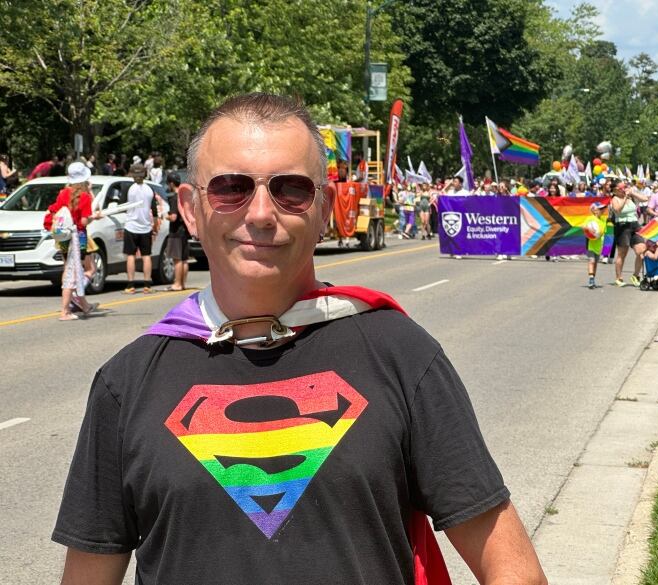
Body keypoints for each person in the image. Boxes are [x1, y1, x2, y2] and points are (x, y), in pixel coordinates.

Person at [52, 93, 547, 585]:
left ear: (326, 207)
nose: (262, 213)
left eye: (291, 189)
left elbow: (512, 569)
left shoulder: (401, 355)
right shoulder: (128, 382)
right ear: (190, 207)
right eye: (230, 188)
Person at [45, 162, 101, 320]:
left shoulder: (63, 193)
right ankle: (68, 308)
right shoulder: (84, 197)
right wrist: (94, 217)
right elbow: (83, 222)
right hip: (78, 236)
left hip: (63, 237)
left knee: (69, 270)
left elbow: (56, 210)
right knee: (78, 271)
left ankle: (83, 305)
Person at [122, 163, 159, 294]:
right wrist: (154, 226)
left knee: (131, 256)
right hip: (145, 227)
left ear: (132, 175)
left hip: (130, 226)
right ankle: (147, 285)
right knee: (146, 256)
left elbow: (123, 206)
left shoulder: (128, 189)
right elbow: (154, 211)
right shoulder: (149, 190)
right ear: (144, 175)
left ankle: (130, 285)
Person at [610, 181, 649, 287]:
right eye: (622, 188)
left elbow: (645, 199)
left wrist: (633, 193)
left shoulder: (630, 197)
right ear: (616, 190)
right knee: (622, 254)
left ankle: (636, 275)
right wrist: (625, 198)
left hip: (635, 225)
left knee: (641, 251)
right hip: (622, 226)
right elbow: (617, 210)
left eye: (625, 187)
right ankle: (619, 278)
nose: (624, 189)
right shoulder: (615, 199)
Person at [165, 172, 190, 291]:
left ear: (171, 183)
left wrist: (166, 216)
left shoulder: (175, 198)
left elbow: (174, 217)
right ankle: (183, 283)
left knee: (177, 259)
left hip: (176, 231)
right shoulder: (185, 197)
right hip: (185, 230)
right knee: (185, 259)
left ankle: (177, 284)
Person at [586, 200, 609, 289]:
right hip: (591, 244)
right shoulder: (590, 219)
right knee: (591, 261)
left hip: (599, 245)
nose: (602, 210)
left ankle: (593, 279)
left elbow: (603, 232)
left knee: (595, 263)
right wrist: (589, 230)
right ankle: (591, 279)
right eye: (600, 209)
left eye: (603, 209)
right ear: (595, 210)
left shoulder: (603, 220)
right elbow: (583, 226)